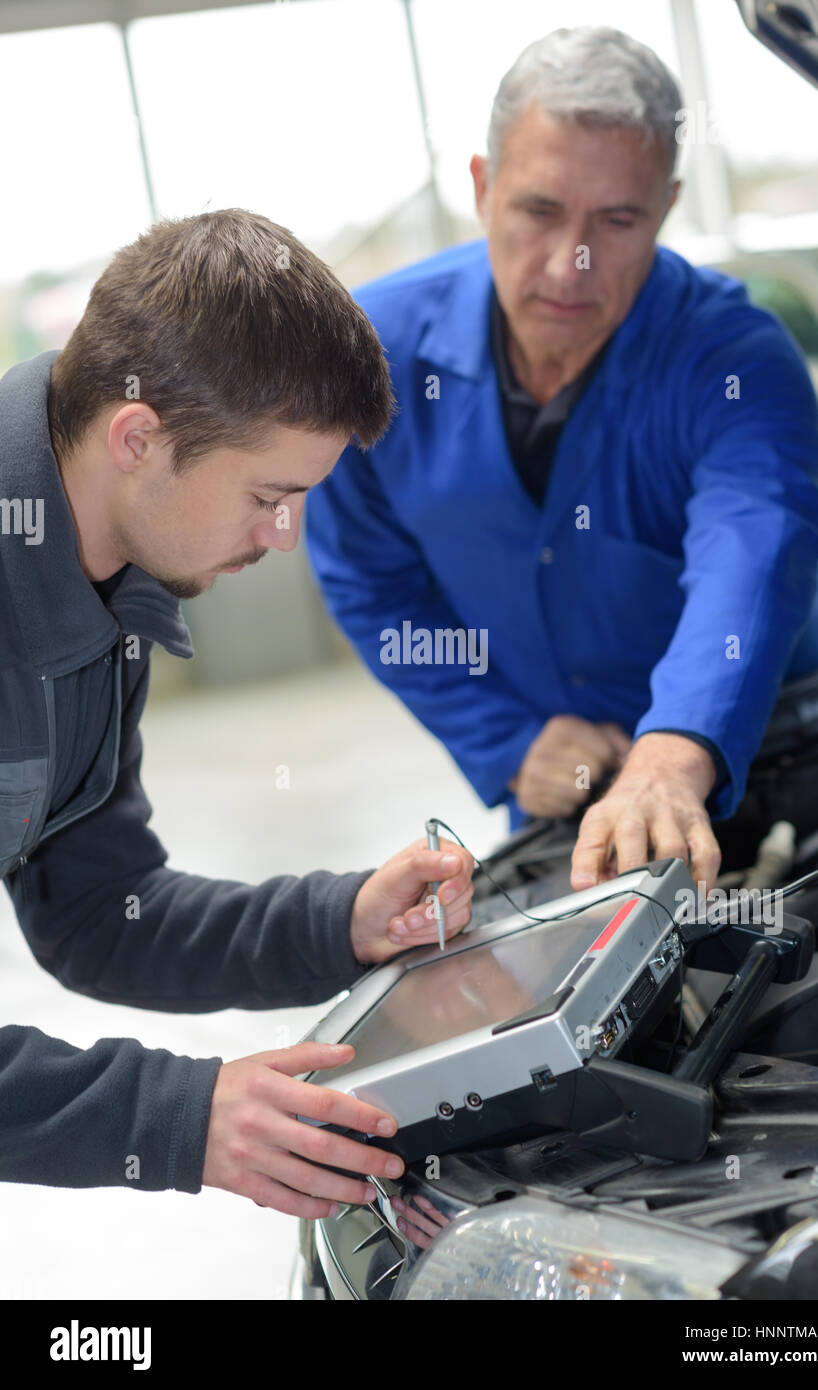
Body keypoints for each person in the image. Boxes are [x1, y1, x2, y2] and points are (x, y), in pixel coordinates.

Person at [305, 25, 818, 899]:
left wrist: (675, 747)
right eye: (539, 210)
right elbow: (375, 586)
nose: (571, 264)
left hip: (799, 745)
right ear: (483, 189)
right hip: (568, 787)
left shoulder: (735, 357)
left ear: (666, 206)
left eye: (617, 219)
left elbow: (753, 550)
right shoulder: (365, 357)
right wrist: (507, 741)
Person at [0, 208, 475, 1219]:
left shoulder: (107, 579)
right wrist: (176, 1113)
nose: (285, 534)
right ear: (141, 436)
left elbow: (96, 912)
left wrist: (337, 921)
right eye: (269, 494)